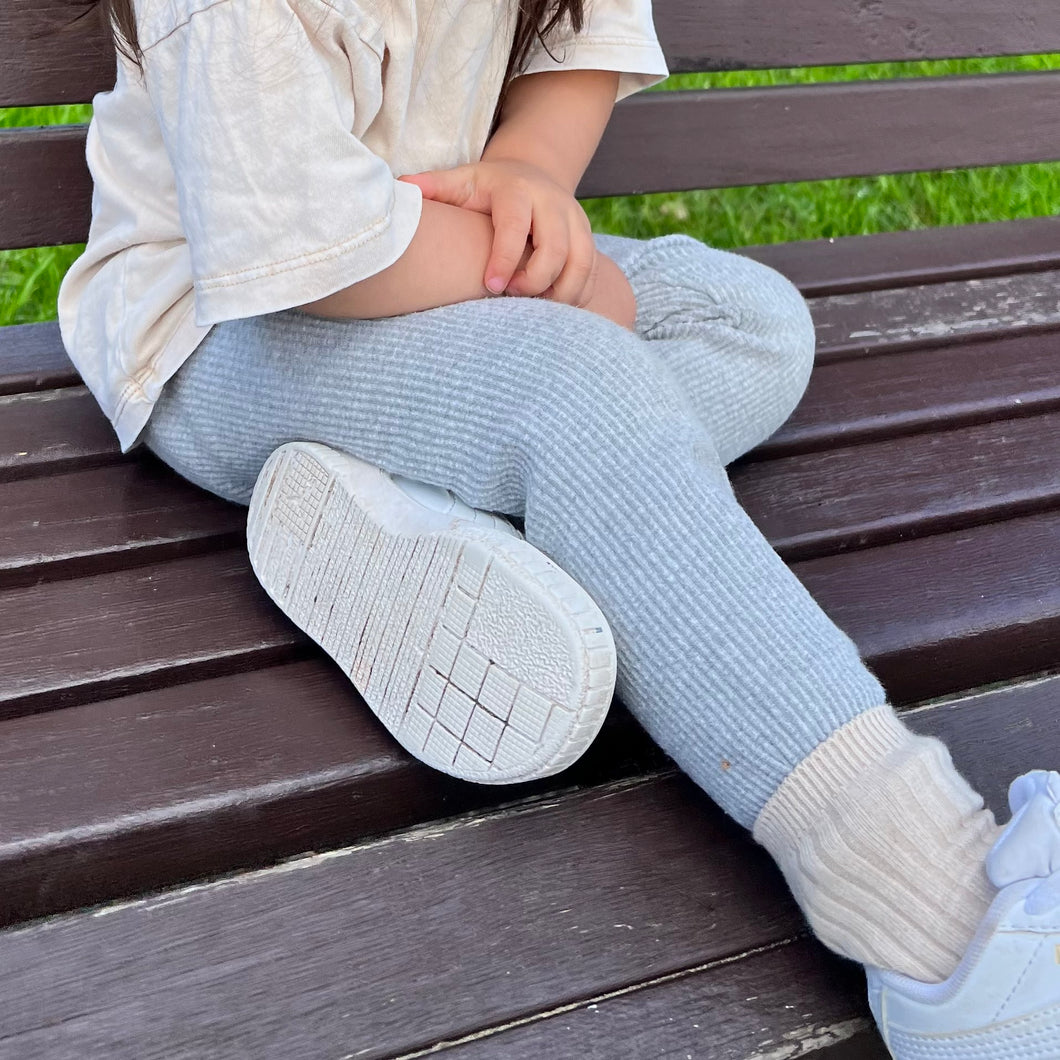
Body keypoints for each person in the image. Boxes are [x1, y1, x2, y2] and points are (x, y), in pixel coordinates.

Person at [57, 0, 1060, 1054]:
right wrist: (567, 306)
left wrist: (529, 174)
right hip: (223, 332)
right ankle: (944, 929)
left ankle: (452, 522)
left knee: (748, 320)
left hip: (434, 276)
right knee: (583, 382)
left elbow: (580, 43)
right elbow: (306, 245)